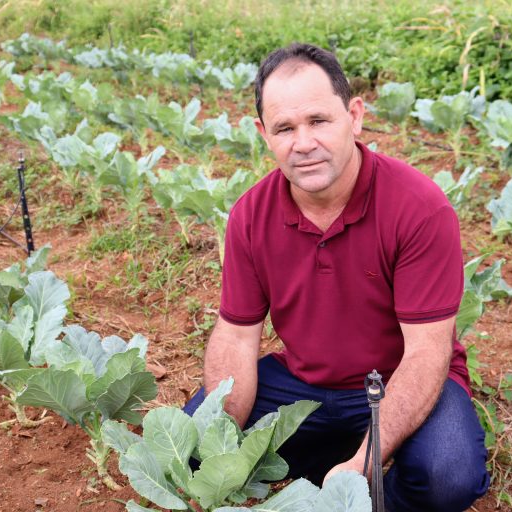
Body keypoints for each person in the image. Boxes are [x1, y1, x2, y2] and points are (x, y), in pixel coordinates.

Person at [184, 43, 490, 511]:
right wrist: (221, 445)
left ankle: (376, 493)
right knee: (192, 448)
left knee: (447, 475)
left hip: (397, 378)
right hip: (303, 383)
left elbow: (427, 353)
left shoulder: (418, 208)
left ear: (354, 116)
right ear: (263, 134)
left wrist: (363, 465)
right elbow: (237, 337)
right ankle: (329, 455)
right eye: (285, 128)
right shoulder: (250, 215)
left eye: (318, 121)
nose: (303, 143)